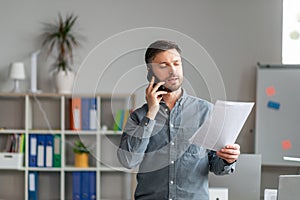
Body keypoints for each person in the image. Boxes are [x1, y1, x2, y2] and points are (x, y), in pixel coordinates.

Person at [117, 40, 240, 200]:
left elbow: (216, 166)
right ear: (150, 70)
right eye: (163, 65)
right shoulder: (139, 117)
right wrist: (151, 113)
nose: (173, 71)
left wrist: (228, 159)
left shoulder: (206, 111)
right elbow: (128, 161)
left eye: (176, 63)